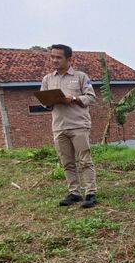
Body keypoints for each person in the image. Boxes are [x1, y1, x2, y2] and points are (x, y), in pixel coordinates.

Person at [40, 44, 98, 208]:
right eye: (52, 57)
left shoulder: (80, 77)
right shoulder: (47, 79)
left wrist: (72, 99)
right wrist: (50, 101)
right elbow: (45, 102)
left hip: (78, 125)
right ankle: (74, 193)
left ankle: (90, 193)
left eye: (58, 57)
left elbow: (91, 97)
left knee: (85, 160)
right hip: (59, 127)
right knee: (67, 162)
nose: (54, 60)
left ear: (69, 59)